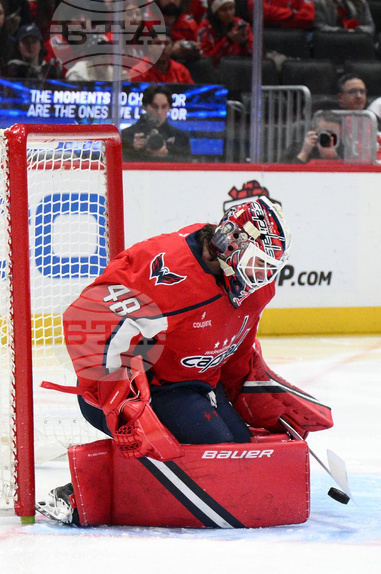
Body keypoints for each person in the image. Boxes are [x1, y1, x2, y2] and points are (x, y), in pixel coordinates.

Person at [42, 197, 333, 527]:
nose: (262, 276)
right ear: (229, 241)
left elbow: (237, 350)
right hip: (141, 394)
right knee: (216, 458)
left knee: (238, 452)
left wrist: (253, 393)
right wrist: (119, 403)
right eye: (257, 263)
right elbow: (86, 320)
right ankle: (84, 491)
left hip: (196, 386)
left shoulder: (255, 289)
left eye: (269, 267)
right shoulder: (165, 269)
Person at [120, 85, 192, 161]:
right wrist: (132, 148)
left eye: (164, 107)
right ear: (144, 106)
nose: (159, 112)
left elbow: (186, 168)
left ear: (169, 108)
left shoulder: (181, 138)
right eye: (154, 107)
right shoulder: (127, 136)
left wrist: (168, 155)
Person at [198, 0, 252, 65]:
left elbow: (254, 56)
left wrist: (244, 43)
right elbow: (206, 61)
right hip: (214, 71)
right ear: (216, 13)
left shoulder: (242, 24)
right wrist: (227, 41)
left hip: (238, 69)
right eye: (224, 10)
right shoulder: (205, 28)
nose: (229, 13)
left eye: (231, 8)